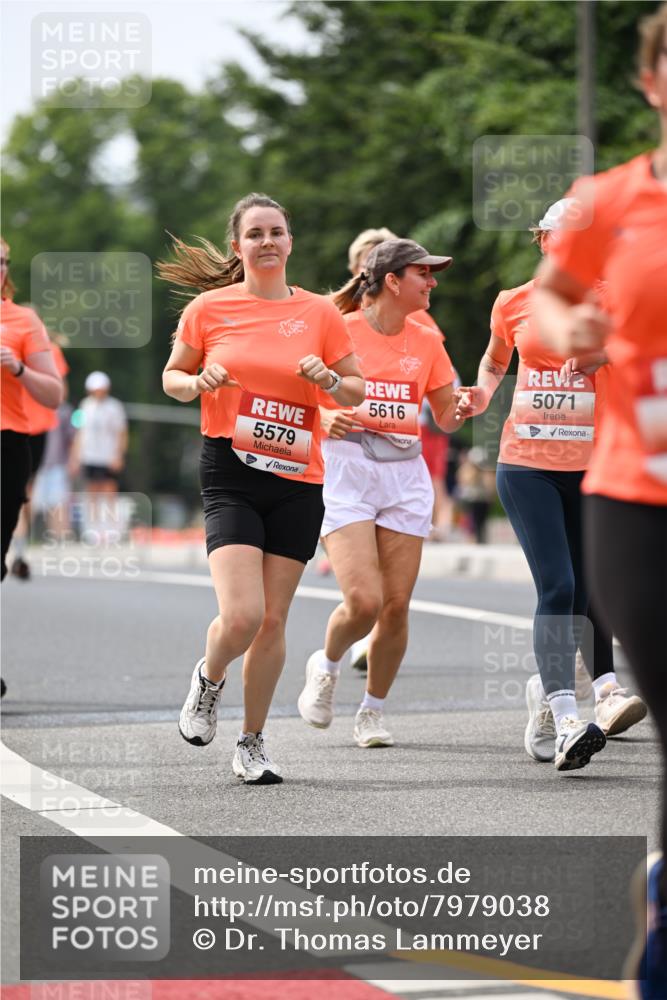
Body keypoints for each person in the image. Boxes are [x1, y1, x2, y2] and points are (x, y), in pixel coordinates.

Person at [532, 5, 667, 993]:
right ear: (652, 83)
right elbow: (545, 291)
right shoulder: (604, 200)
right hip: (638, 496)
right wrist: (568, 322)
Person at [158, 192, 364, 784]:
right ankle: (209, 678)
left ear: (290, 242)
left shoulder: (322, 313)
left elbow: (355, 389)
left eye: (277, 231)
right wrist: (198, 379)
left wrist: (330, 378)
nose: (267, 241)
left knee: (274, 621)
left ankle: (252, 742)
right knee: (243, 614)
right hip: (232, 472)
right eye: (255, 233)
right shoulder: (209, 308)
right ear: (237, 245)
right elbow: (171, 377)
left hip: (300, 476)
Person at [456, 203, 646, 774]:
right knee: (558, 585)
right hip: (528, 462)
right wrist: (482, 395)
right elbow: (494, 361)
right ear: (542, 239)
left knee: (592, 590)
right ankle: (568, 718)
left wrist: (604, 353)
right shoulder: (514, 301)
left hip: (595, 466)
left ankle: (547, 690)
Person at [297, 238, 461, 747]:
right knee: (363, 601)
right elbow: (292, 396)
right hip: (347, 468)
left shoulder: (428, 340)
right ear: (392, 281)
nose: (432, 282)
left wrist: (469, 403)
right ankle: (325, 666)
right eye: (423, 274)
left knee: (395, 606)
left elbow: (447, 415)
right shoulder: (337, 329)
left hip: (405, 474)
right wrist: (324, 415)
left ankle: (372, 711)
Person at [0, 237, 63, 694]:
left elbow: (54, 394)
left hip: (8, 444)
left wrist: (19, 368)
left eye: (2, 263)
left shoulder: (22, 321)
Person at [9, 335, 69, 579]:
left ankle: (19, 545)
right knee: (25, 491)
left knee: (18, 491)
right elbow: (60, 394)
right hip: (35, 429)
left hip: (15, 425)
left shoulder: (8, 347)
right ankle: (20, 545)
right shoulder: (50, 350)